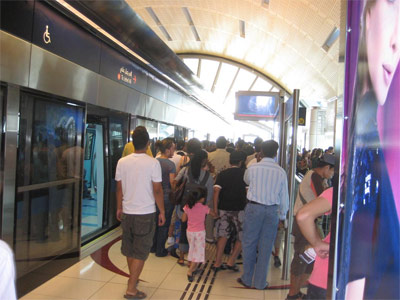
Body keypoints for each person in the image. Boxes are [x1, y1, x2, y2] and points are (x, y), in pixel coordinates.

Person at [338, 1, 400, 299]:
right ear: (364, 16)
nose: (396, 41)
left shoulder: (366, 144)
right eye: (392, 4)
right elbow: (358, 273)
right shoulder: (366, 153)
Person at [115, 126, 165, 299]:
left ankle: (133, 279)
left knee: (130, 249)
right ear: (148, 144)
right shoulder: (153, 163)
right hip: (145, 213)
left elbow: (119, 188)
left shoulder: (122, 162)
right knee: (141, 251)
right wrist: (162, 211)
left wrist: (119, 207)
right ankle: (131, 288)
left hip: (128, 211)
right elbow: (157, 190)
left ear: (132, 143)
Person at [238, 140, 289, 290]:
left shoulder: (253, 167)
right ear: (276, 153)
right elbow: (284, 196)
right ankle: (260, 283)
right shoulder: (280, 171)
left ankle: (247, 278)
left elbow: (245, 180)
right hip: (272, 210)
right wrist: (282, 217)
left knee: (249, 243)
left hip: (254, 208)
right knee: (266, 246)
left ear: (261, 151)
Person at [287, 153, 335, 300]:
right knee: (302, 257)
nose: (333, 174)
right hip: (305, 225)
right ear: (327, 167)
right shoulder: (314, 177)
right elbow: (322, 197)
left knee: (308, 258)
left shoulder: (313, 175)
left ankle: (296, 291)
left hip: (307, 223)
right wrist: (317, 242)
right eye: (332, 171)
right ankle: (293, 293)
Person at [174, 149, 214, 265]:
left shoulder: (186, 170)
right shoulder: (208, 177)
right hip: (199, 213)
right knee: (197, 236)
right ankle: (193, 261)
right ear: (204, 161)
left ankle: (181, 257)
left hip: (185, 208)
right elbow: (210, 196)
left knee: (184, 231)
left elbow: (176, 181)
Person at [212, 150, 248, 271]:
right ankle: (231, 261)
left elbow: (216, 191)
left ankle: (217, 262)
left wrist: (215, 208)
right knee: (242, 235)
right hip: (240, 209)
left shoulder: (222, 174)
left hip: (223, 209)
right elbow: (248, 192)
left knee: (223, 234)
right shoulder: (245, 174)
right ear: (241, 162)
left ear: (230, 161)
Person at [296, 187, 333, 299]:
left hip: (326, 277)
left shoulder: (343, 189)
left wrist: (317, 244)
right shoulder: (385, 196)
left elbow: (304, 215)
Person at [182, 186, 216, 282]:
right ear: (201, 198)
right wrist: (215, 214)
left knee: (192, 248)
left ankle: (193, 265)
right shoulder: (204, 208)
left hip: (189, 232)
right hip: (199, 233)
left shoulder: (187, 206)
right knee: (199, 252)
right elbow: (213, 214)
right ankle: (190, 271)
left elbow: (183, 219)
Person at [151, 138, 176, 257]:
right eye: (173, 149)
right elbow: (172, 182)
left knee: (155, 221)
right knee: (164, 222)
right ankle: (160, 250)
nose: (174, 151)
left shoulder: (154, 161)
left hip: (154, 196)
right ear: (167, 150)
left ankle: (152, 246)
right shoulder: (170, 164)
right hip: (166, 196)